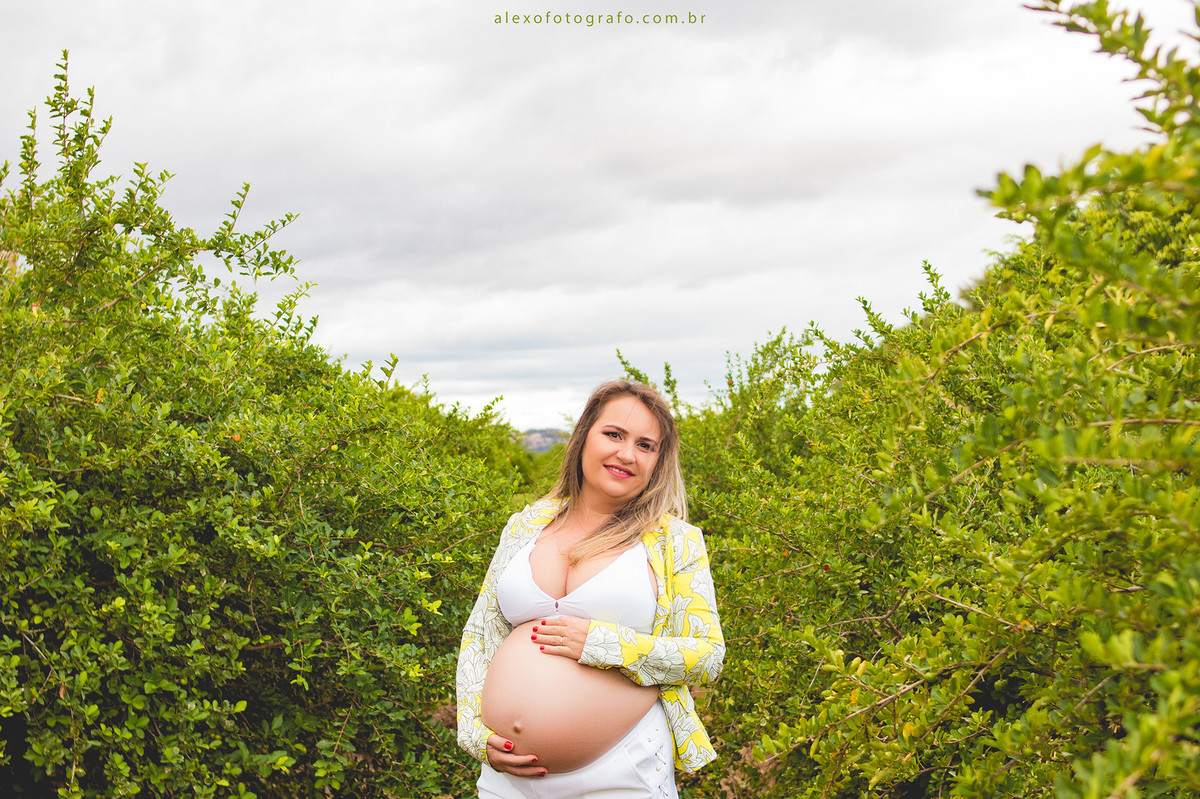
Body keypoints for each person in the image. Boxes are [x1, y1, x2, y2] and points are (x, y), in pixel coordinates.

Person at [456, 380, 724, 798]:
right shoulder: (525, 525)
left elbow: (707, 656)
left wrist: (602, 644)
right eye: (614, 434)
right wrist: (474, 733)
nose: (627, 454)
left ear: (658, 461)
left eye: (645, 445)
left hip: (621, 774)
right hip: (506, 783)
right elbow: (480, 634)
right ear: (584, 436)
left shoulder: (675, 541)